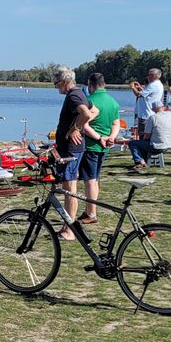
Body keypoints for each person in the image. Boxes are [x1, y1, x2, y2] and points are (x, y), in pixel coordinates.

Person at [51, 66, 96, 234]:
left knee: (70, 188)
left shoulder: (74, 96)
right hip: (71, 148)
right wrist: (79, 124)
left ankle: (70, 230)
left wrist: (76, 128)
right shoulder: (79, 93)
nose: (56, 88)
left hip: (71, 149)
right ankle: (67, 226)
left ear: (64, 82)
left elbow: (87, 113)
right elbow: (94, 110)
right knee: (68, 186)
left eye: (56, 84)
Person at [77, 72, 120, 223]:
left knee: (89, 180)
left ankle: (91, 214)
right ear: (104, 84)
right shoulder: (113, 102)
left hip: (92, 145)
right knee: (95, 179)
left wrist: (99, 138)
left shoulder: (89, 101)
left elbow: (84, 125)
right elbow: (116, 123)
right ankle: (89, 209)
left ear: (90, 85)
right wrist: (111, 138)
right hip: (105, 147)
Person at [128, 102, 171, 171]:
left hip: (156, 146)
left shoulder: (153, 117)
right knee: (142, 144)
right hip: (168, 145)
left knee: (133, 143)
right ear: (162, 107)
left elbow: (147, 136)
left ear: (152, 109)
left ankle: (140, 162)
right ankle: (143, 160)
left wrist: (143, 140)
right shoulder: (170, 115)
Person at [129, 68, 163, 134]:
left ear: (155, 76)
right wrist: (140, 87)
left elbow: (139, 95)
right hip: (149, 112)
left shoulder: (153, 85)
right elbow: (147, 94)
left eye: (150, 74)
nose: (148, 76)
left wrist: (133, 87)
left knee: (143, 134)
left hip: (145, 114)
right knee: (147, 133)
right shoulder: (158, 84)